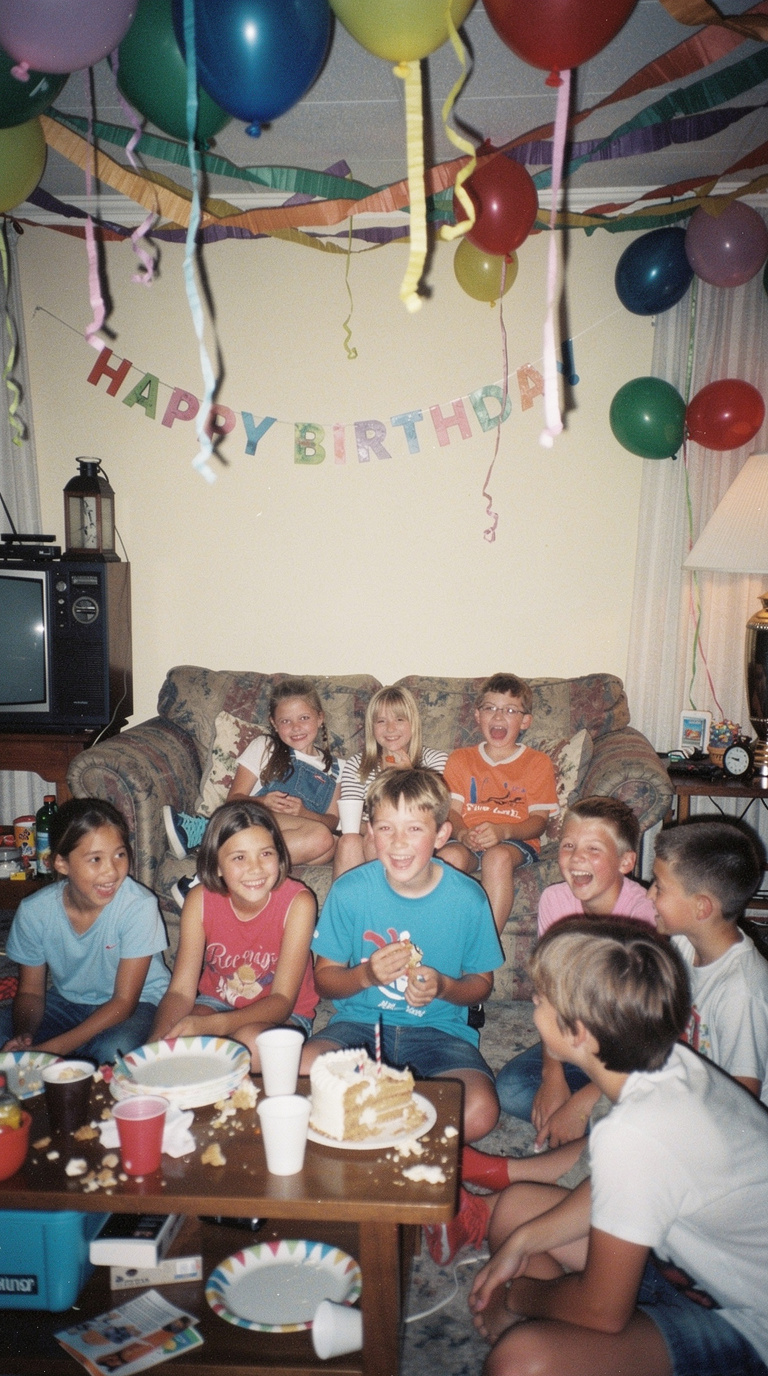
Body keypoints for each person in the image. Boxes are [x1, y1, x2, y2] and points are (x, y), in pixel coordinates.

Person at [468, 917, 768, 1376]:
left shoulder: (634, 1133)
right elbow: (624, 1183)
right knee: (515, 1214)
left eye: (541, 1000)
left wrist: (517, 1292)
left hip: (747, 1318)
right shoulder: (669, 1059)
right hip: (687, 1261)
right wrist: (526, 1241)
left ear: (578, 1033)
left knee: (521, 1361)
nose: (533, 1003)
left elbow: (602, 1312)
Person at [301, 767, 503, 1143]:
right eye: (385, 828)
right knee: (302, 1072)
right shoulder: (349, 891)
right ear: (370, 831)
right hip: (359, 1026)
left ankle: (378, 1118)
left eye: (414, 828)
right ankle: (395, 1119)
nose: (397, 843)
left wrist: (443, 986)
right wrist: (366, 977)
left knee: (479, 1111)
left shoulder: (468, 898)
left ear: (441, 834)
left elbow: (481, 985)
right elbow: (324, 980)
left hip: (440, 1034)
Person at [485, 797, 656, 1168]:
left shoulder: (641, 915)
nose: (576, 857)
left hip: (633, 1046)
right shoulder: (555, 899)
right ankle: (603, 1120)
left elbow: (645, 1030)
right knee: (511, 1090)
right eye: (568, 846)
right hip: (573, 1035)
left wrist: (582, 1102)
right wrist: (552, 1073)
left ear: (626, 862)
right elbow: (551, 993)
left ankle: (597, 1122)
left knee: (649, 1108)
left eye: (594, 849)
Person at [149, 798, 317, 1067]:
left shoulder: (298, 903)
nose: (255, 868)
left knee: (249, 1044)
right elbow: (181, 991)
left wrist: (216, 1026)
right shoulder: (198, 900)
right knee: (180, 1046)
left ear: (279, 855)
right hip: (216, 1002)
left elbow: (283, 1001)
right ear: (216, 865)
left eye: (266, 854)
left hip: (282, 1015)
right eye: (239, 857)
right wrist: (158, 1042)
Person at [0, 798, 170, 1064]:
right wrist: (25, 1035)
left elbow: (124, 1002)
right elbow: (31, 992)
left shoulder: (139, 906)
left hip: (137, 1004)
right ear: (61, 864)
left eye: (120, 854)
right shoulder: (35, 911)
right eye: (95, 859)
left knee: (114, 1049)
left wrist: (53, 1048)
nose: (111, 871)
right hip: (68, 1002)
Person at [163, 677, 343, 880]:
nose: (296, 727)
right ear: (274, 723)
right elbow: (233, 800)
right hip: (254, 819)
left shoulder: (337, 768)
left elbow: (332, 820)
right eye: (285, 721)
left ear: (320, 718)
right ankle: (211, 856)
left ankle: (216, 857)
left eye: (304, 718)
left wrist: (303, 812)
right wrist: (263, 802)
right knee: (321, 837)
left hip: (296, 831)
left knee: (331, 845)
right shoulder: (265, 746)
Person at [651, 815, 768, 1102]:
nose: (648, 894)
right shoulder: (683, 944)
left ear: (702, 908)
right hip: (682, 1086)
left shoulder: (741, 992)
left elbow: (743, 1100)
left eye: (659, 886)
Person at [437, 673, 558, 936]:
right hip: (466, 839)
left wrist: (504, 832)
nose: (499, 717)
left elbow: (539, 821)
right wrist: (462, 834)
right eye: (490, 708)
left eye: (510, 710)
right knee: (448, 857)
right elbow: (451, 812)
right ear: (478, 716)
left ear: (525, 721)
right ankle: (442, 938)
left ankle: (484, 945)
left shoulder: (537, 762)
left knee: (497, 857)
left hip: (514, 841)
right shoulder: (460, 759)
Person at [333, 684, 447, 879]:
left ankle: (388, 904)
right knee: (349, 841)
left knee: (373, 840)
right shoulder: (358, 764)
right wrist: (378, 829)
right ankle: (346, 908)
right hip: (367, 835)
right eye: (381, 721)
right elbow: (349, 822)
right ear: (372, 727)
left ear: (413, 723)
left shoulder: (435, 761)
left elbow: (435, 816)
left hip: (414, 838)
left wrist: (406, 775)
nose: (390, 728)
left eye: (400, 719)